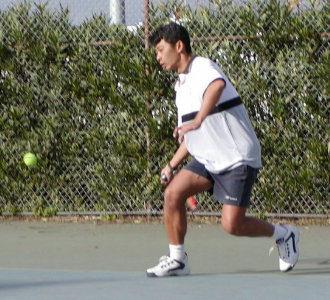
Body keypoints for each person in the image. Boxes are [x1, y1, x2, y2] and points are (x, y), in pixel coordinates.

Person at [146, 22, 299, 277]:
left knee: (232, 225)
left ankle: (285, 234)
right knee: (172, 194)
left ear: (179, 46)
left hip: (236, 157)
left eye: (161, 50)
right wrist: (171, 165)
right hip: (208, 158)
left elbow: (216, 87)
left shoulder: (202, 67)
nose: (158, 57)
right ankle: (178, 260)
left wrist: (198, 119)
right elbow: (190, 134)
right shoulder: (181, 86)